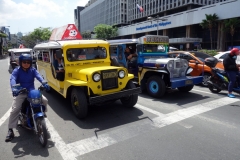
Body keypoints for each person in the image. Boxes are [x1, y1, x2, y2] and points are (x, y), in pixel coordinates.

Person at [5, 54, 50, 142]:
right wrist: (14, 87)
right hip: (20, 91)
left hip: (31, 91)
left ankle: (42, 113)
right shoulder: (16, 70)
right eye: (24, 62)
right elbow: (13, 78)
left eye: (28, 62)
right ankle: (10, 130)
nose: (26, 64)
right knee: (15, 109)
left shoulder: (32, 70)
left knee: (44, 100)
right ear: (21, 62)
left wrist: (44, 83)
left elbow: (39, 76)